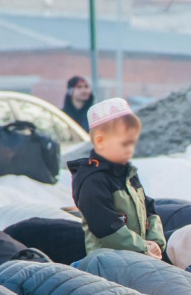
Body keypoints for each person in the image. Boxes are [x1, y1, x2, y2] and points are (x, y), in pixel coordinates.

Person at [67, 98, 166, 258]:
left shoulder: (128, 175)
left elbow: (149, 210)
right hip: (108, 266)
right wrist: (142, 247)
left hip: (140, 259)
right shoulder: (93, 181)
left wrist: (155, 241)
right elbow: (106, 227)